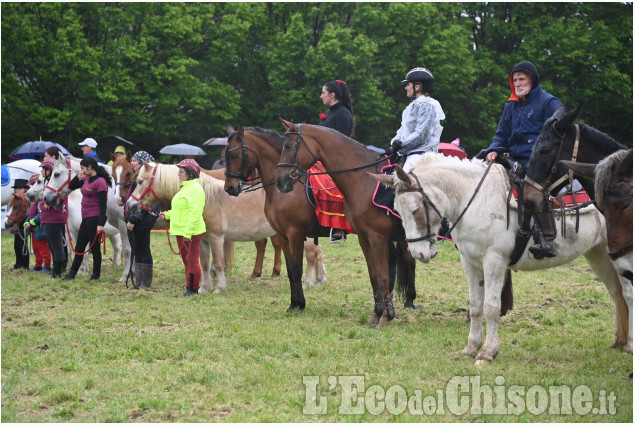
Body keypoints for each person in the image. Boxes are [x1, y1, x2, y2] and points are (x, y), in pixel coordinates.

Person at [484, 61, 562, 259]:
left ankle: (547, 239)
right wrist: (493, 149)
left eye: (522, 79)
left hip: (537, 160)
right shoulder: (510, 105)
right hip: (511, 155)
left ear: (532, 80)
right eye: (515, 79)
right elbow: (501, 134)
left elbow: (559, 136)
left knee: (533, 190)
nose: (518, 83)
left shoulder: (549, 102)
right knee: (481, 171)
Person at [158, 159, 206, 296]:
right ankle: (188, 288)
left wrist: (188, 232)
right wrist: (167, 214)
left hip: (190, 232)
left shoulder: (195, 190)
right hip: (181, 231)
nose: (178, 174)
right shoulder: (185, 189)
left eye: (181, 172)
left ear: (190, 174)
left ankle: (193, 290)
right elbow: (181, 210)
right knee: (187, 261)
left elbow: (195, 213)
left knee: (192, 261)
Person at [317, 79, 355, 242]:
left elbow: (340, 143)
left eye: (323, 93)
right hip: (323, 158)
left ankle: (338, 226)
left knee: (327, 183)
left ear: (332, 95)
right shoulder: (331, 113)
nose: (321, 96)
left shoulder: (343, 114)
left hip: (338, 161)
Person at [61, 157, 111, 281]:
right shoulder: (86, 179)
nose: (82, 170)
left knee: (94, 248)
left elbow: (103, 204)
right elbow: (71, 186)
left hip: (94, 218)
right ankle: (72, 274)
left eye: (83, 168)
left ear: (90, 167)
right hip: (85, 217)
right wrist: (78, 177)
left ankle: (96, 274)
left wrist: (101, 224)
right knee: (79, 247)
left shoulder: (100, 182)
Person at [387, 67, 445, 173]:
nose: (406, 88)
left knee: (403, 185)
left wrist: (401, 146)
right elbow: (402, 130)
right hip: (408, 153)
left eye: (408, 84)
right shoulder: (410, 107)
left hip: (421, 156)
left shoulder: (428, 106)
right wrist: (395, 142)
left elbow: (421, 135)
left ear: (417, 86)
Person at [120, 151, 161, 290]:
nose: (131, 163)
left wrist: (132, 219)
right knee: (136, 249)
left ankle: (145, 282)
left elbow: (144, 202)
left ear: (143, 162)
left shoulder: (147, 180)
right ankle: (139, 282)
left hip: (142, 219)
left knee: (143, 248)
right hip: (134, 218)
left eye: (134, 161)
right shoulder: (136, 178)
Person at [36, 158, 68, 278]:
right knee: (52, 246)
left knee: (56, 246)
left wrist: (49, 203)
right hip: (48, 218)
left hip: (53, 218)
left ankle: (57, 271)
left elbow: (62, 196)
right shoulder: (48, 182)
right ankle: (56, 270)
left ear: (49, 171)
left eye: (44, 169)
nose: (42, 172)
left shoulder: (55, 183)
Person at [24, 174, 51, 273]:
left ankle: (47, 265)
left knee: (43, 248)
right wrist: (27, 221)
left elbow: (40, 215)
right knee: (36, 248)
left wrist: (31, 223)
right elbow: (31, 214)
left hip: (40, 229)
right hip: (35, 229)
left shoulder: (42, 202)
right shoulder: (35, 203)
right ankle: (38, 264)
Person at [8, 179, 30, 270]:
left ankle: (25, 265)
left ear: (25, 189)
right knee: (16, 244)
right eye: (16, 188)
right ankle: (18, 264)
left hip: (25, 222)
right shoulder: (15, 199)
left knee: (23, 243)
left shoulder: (28, 198)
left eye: (19, 188)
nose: (17, 190)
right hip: (17, 222)